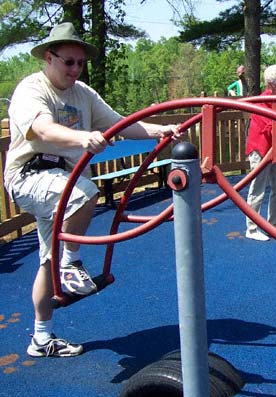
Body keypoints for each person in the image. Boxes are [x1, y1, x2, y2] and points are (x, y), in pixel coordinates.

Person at [3, 22, 181, 358]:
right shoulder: (32, 89)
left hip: (61, 181)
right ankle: (71, 263)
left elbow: (121, 124)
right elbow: (41, 127)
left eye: (80, 63)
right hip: (29, 175)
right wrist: (82, 137)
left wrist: (161, 129)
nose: (75, 70)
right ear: (48, 58)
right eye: (68, 62)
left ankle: (41, 338)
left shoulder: (83, 94)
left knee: (47, 259)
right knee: (84, 193)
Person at [244, 65, 276, 241]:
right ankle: (252, 227)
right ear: (271, 84)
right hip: (260, 149)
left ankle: (274, 224)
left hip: (274, 149)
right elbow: (271, 127)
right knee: (258, 188)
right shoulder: (263, 101)